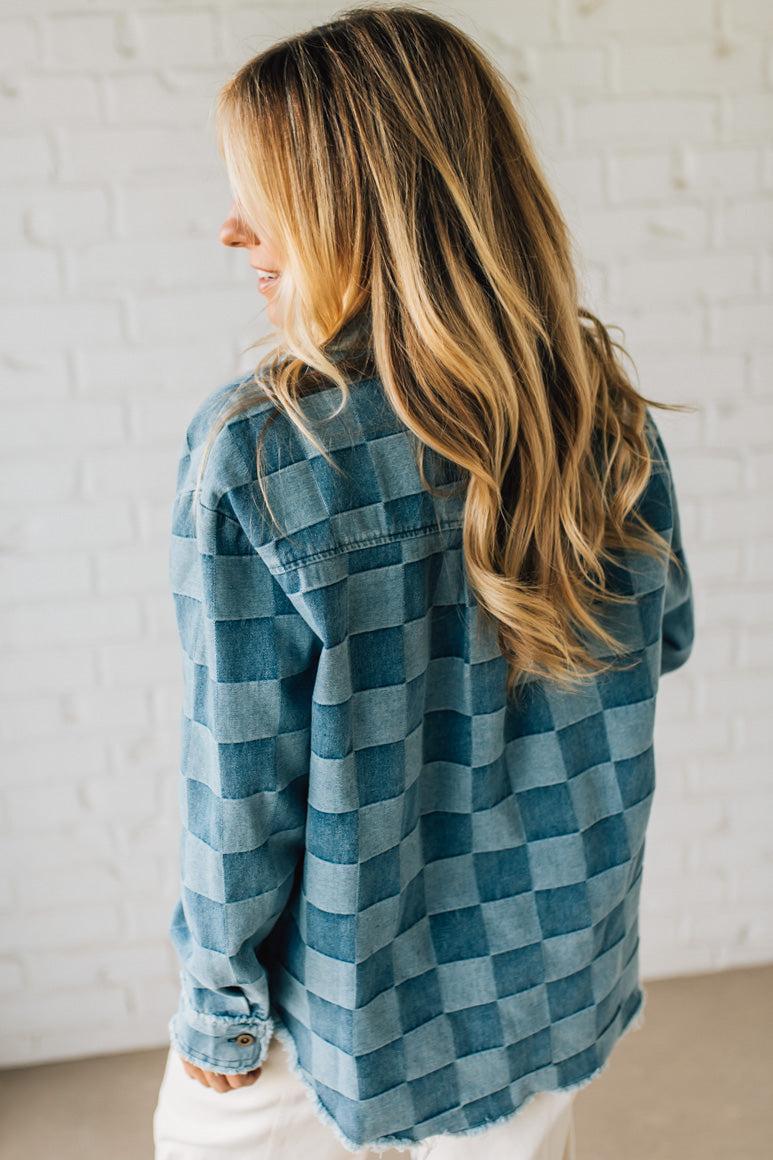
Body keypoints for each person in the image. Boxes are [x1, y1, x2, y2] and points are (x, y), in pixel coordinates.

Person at [152, 5, 696, 1158]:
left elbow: (239, 783)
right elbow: (667, 636)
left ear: (362, 211)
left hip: (337, 1024)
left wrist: (218, 1005)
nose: (231, 227)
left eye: (268, 193)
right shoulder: (593, 402)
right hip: (548, 976)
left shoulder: (262, 450)